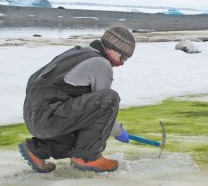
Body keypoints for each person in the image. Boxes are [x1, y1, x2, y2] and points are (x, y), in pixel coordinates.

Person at [18, 26, 135, 173]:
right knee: (110, 98)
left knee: (83, 131)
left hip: (36, 115)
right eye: (123, 57)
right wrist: (118, 130)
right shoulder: (100, 63)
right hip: (48, 116)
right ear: (113, 48)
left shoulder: (79, 53)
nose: (122, 62)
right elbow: (103, 106)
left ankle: (38, 150)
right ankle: (88, 157)